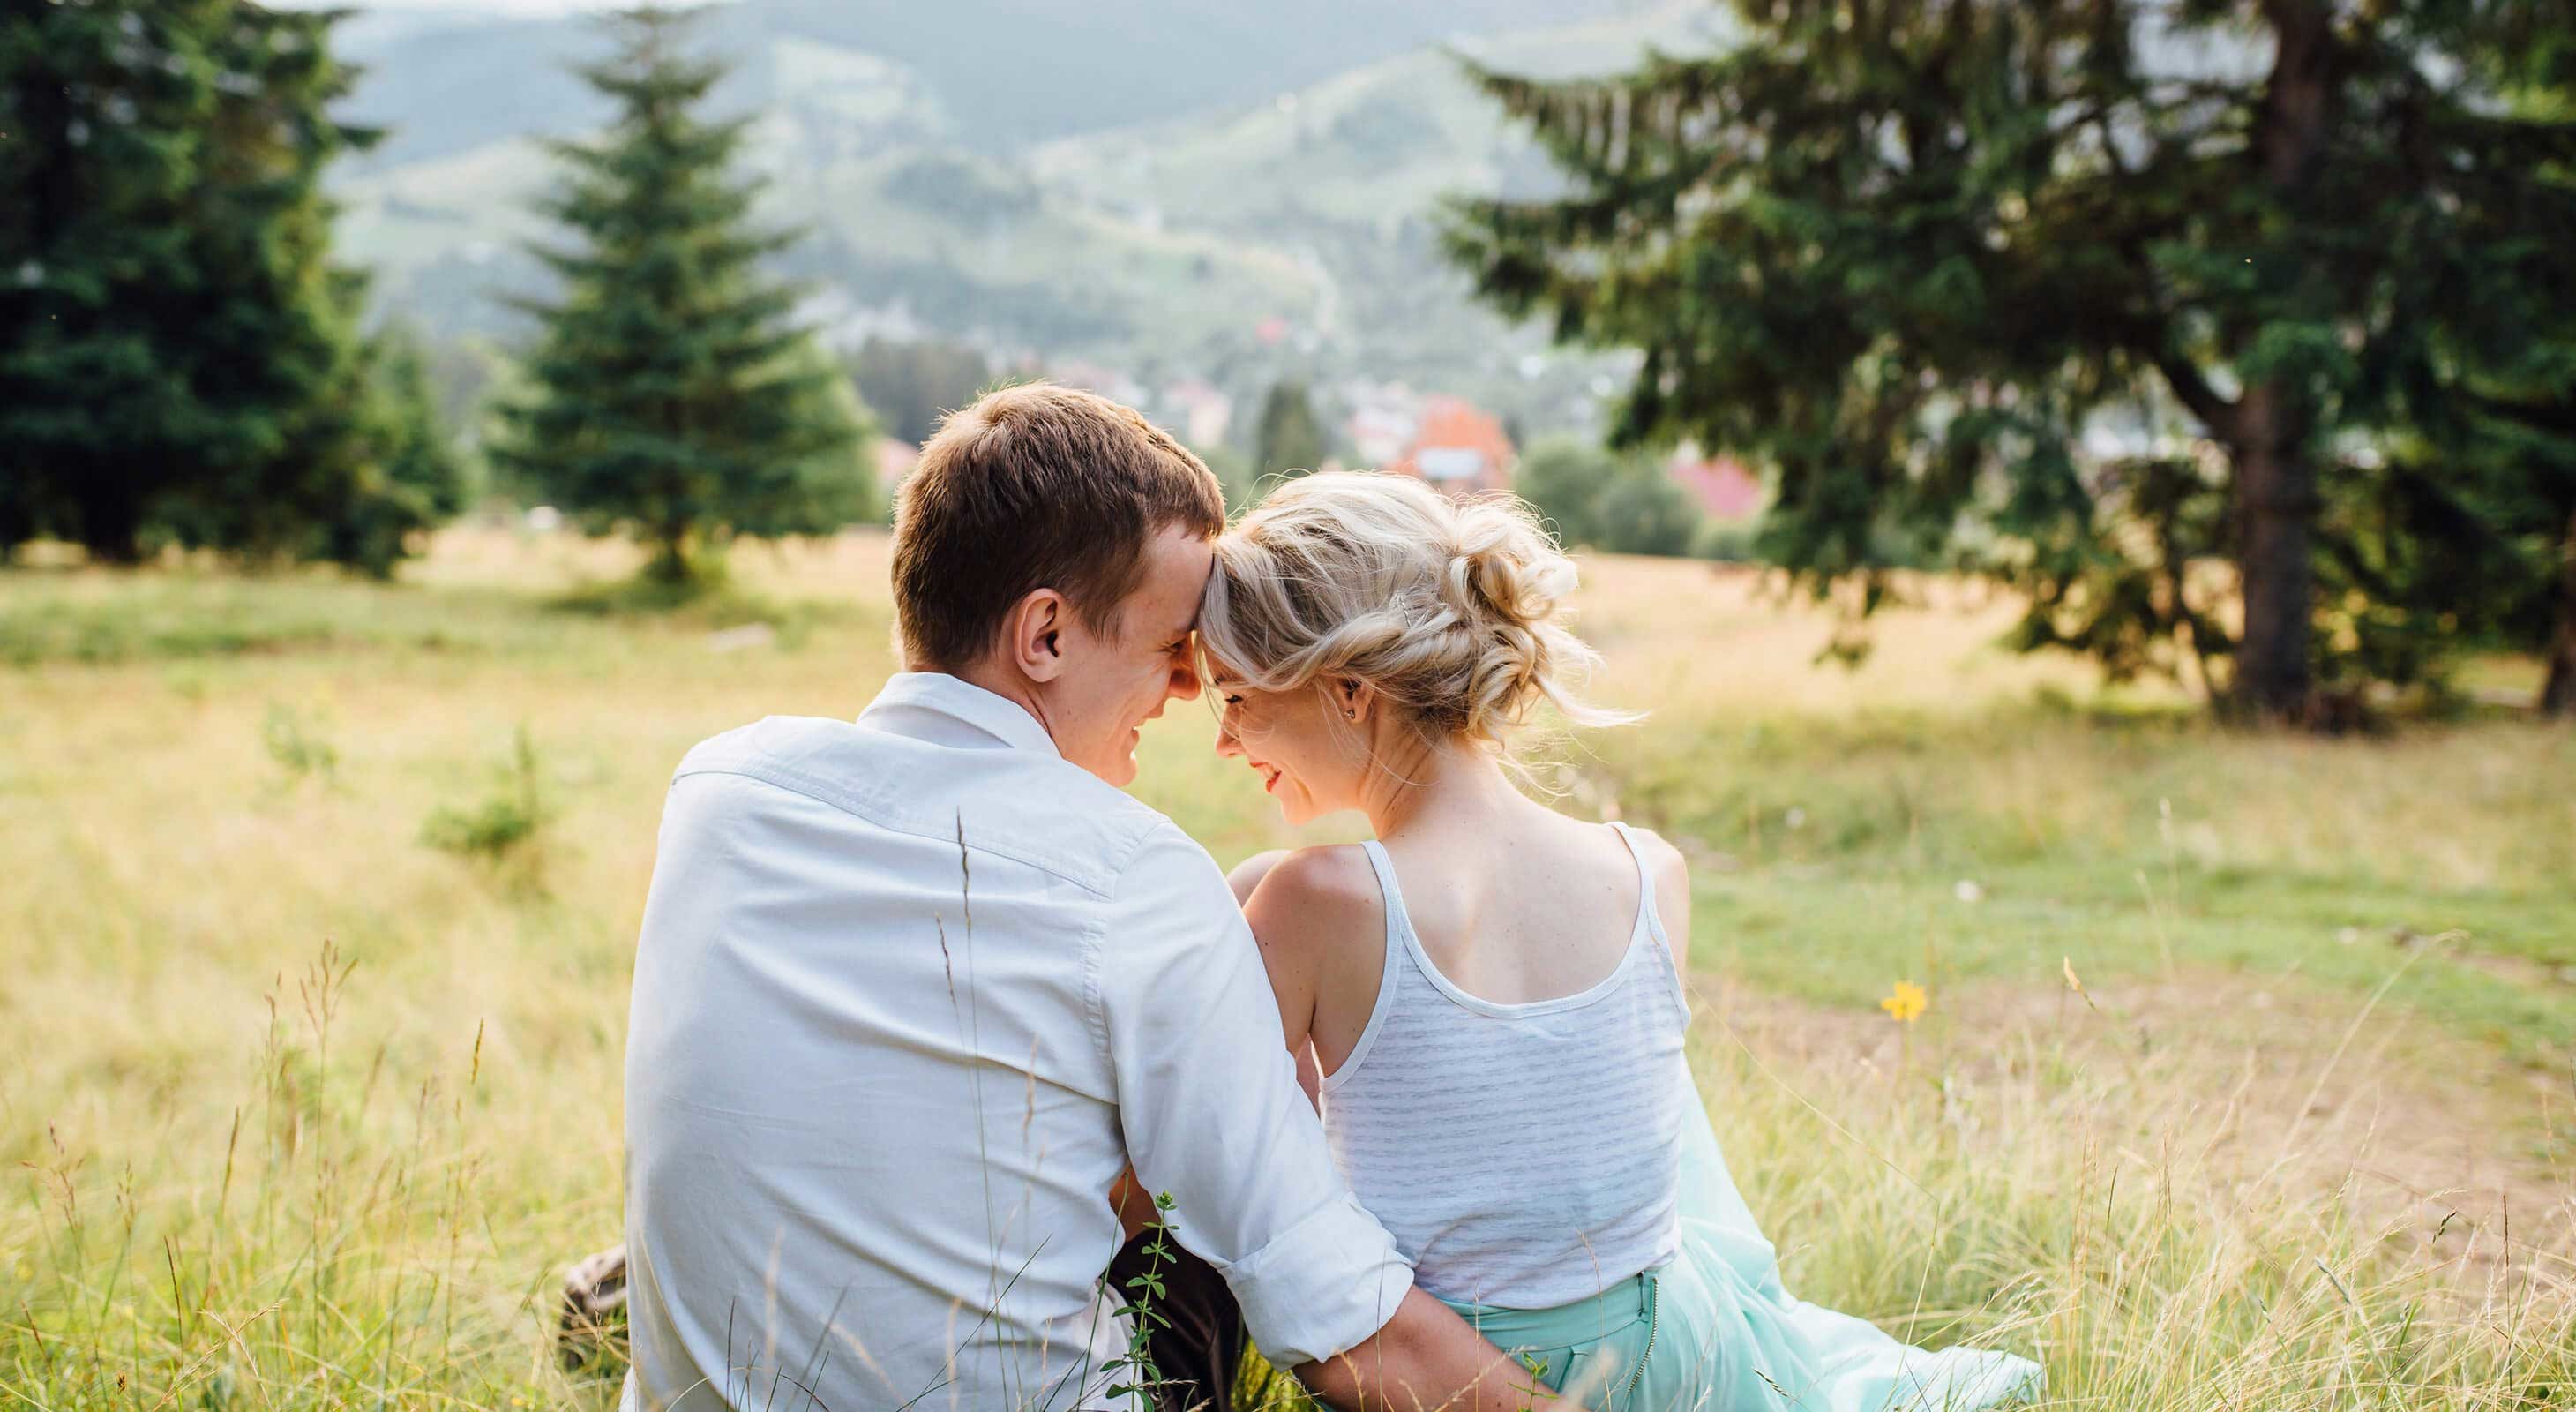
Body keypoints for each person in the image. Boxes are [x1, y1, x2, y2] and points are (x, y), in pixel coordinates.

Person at [619, 384, 1568, 1412]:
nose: (1183, 691)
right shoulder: (1134, 878)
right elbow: (1327, 1301)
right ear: (1045, 637)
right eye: (1168, 648)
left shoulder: (719, 789)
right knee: (1222, 1183)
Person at [1197, 470, 2045, 1410]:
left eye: (1235, 697)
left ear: (1351, 692)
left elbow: (1259, 1196)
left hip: (1461, 1376)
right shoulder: (1649, 874)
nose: (1226, 743)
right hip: (1685, 1354)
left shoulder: (1313, 901)